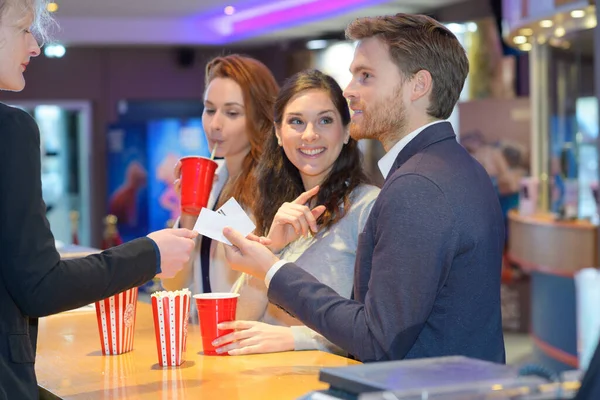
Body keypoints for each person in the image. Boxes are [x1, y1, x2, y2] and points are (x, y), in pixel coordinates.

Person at [220, 13, 506, 363]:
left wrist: (274, 269)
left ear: (418, 86)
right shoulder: (460, 167)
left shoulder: (417, 186)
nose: (349, 91)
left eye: (366, 76)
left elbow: (377, 340)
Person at [0, 1, 197, 398]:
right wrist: (150, 254)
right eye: (23, 28)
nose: (34, 46)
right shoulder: (11, 130)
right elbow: (40, 286)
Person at [211, 70, 379, 355]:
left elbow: (376, 331)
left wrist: (295, 339)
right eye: (296, 122)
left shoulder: (369, 207)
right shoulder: (281, 210)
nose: (310, 134)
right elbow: (236, 325)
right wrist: (272, 250)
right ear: (278, 133)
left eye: (325, 120)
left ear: (348, 130)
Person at [161, 55, 280, 306]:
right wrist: (189, 212)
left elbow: (264, 283)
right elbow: (172, 282)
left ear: (260, 119)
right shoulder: (210, 178)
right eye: (209, 110)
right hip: (202, 332)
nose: (215, 124)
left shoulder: (273, 186)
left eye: (232, 113)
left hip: (247, 335)